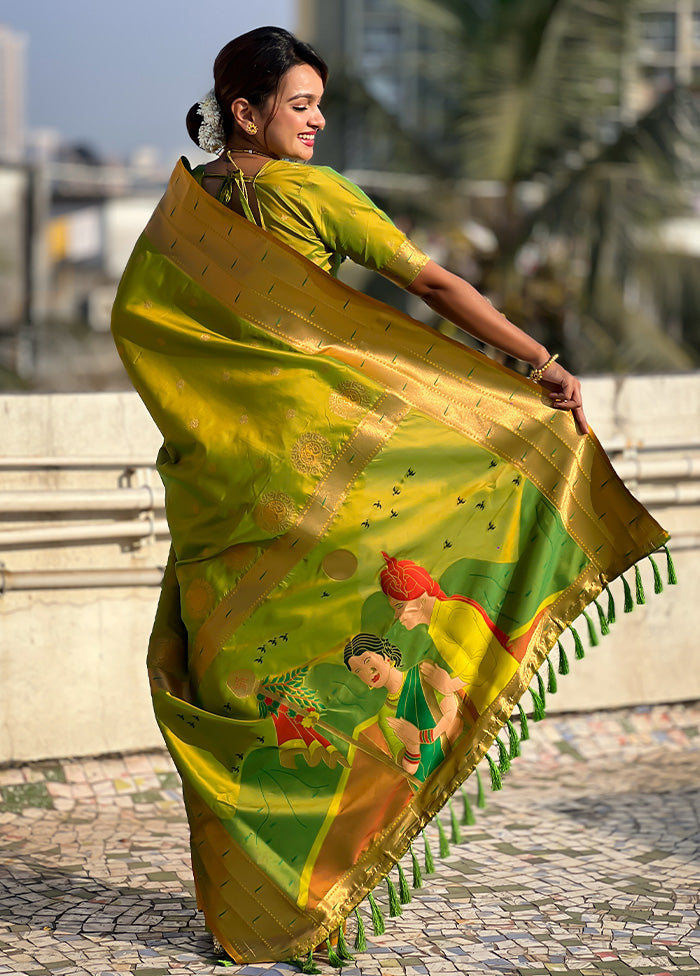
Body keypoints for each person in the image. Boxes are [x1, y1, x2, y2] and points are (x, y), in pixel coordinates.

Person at [111, 25, 670, 967]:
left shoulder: (185, 216)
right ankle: (301, 901)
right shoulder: (312, 195)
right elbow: (434, 282)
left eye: (319, 104)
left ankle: (247, 911)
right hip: (316, 486)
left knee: (241, 679)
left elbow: (137, 319)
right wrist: (535, 361)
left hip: (227, 486)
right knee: (307, 678)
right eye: (299, 105)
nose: (318, 121)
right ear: (244, 113)